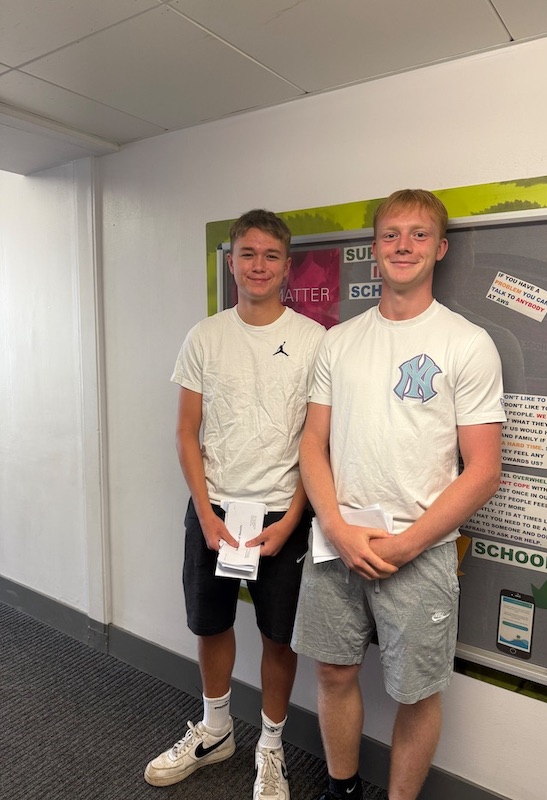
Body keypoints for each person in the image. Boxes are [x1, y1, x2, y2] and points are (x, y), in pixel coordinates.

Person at [291, 189, 506, 800]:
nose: (403, 245)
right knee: (333, 670)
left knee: (416, 689)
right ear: (374, 250)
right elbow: (313, 443)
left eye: (417, 235)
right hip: (340, 539)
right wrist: (334, 524)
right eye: (391, 235)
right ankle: (342, 788)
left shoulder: (467, 343)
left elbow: (483, 469)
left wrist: (408, 544)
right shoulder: (340, 341)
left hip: (423, 546)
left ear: (439, 248)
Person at [145, 209, 325, 800]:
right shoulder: (205, 336)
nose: (258, 265)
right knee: (211, 622)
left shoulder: (312, 341)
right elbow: (185, 433)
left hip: (282, 516)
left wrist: (294, 517)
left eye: (271, 255)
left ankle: (270, 748)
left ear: (287, 266)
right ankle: (216, 729)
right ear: (231, 262)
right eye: (247, 253)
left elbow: (317, 443)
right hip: (214, 509)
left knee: (279, 635)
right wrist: (204, 512)